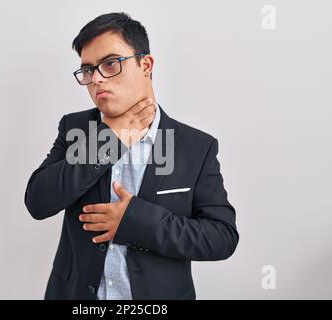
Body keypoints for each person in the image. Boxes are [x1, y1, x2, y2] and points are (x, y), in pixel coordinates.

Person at [24, 12, 239, 300]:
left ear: (146, 65)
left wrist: (138, 221)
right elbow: (39, 201)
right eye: (88, 70)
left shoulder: (195, 146)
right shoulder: (75, 128)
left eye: (110, 64)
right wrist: (109, 140)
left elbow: (221, 238)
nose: (96, 79)